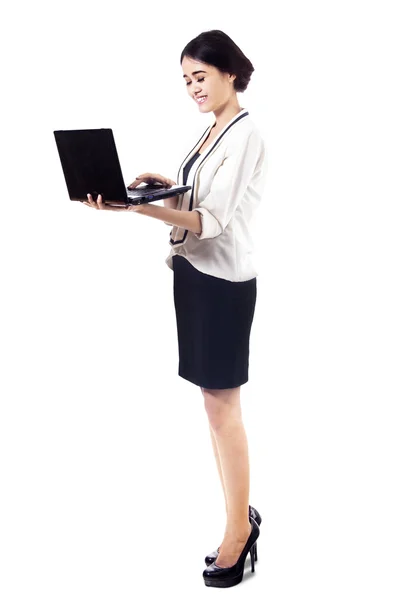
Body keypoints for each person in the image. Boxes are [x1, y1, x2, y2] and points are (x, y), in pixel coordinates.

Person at [84, 29, 267, 588]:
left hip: (223, 283)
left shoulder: (245, 134)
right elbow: (198, 198)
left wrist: (135, 210)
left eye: (200, 76)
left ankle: (240, 529)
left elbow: (213, 221)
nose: (192, 87)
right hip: (191, 274)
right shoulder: (210, 129)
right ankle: (239, 515)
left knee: (222, 409)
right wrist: (166, 186)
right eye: (186, 79)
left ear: (230, 72)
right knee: (213, 408)